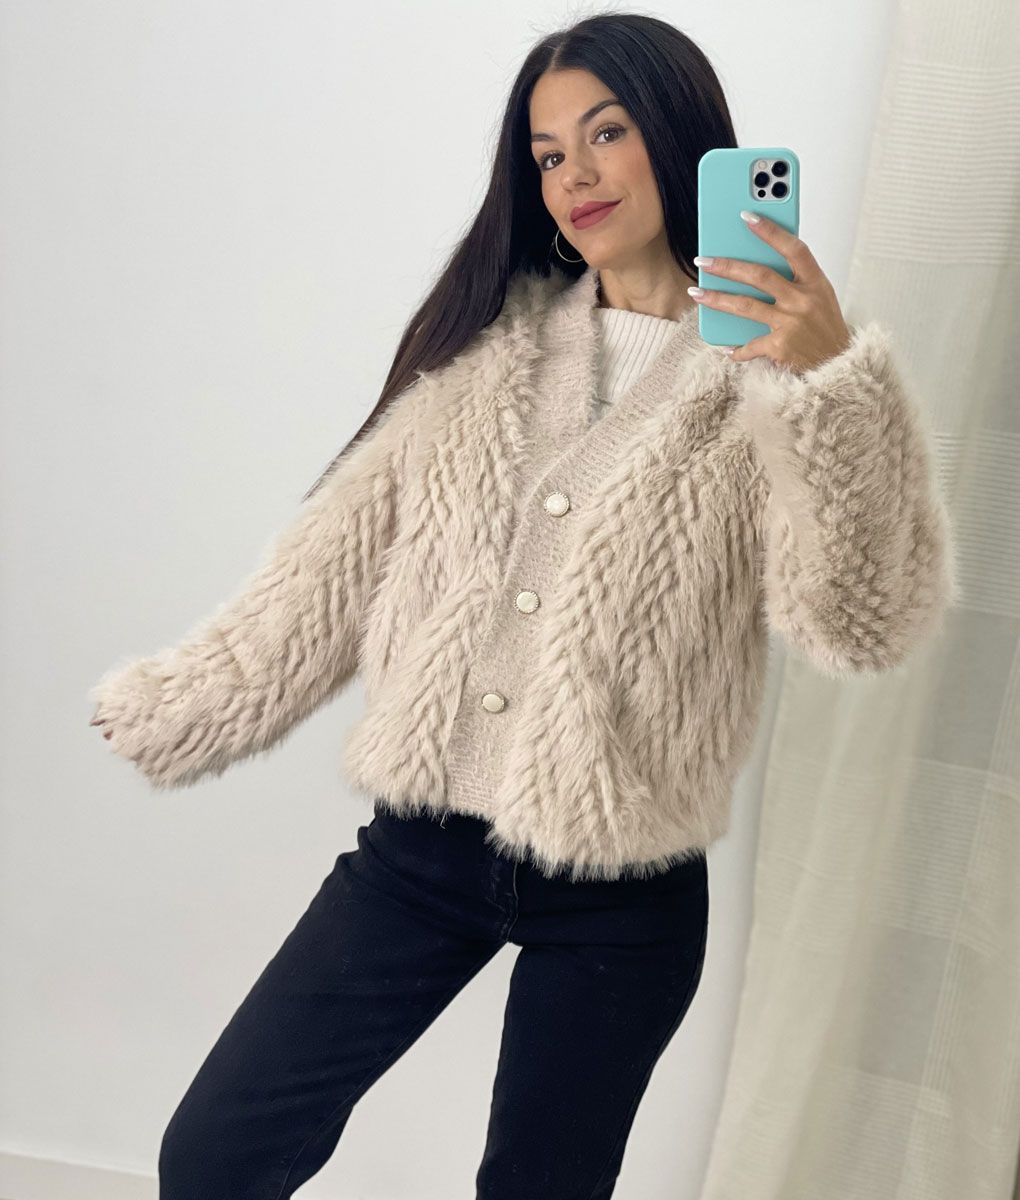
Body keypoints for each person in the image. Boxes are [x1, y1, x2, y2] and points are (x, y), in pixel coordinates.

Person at [88, 12, 957, 1199]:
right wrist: (176, 703)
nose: (576, 175)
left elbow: (859, 621)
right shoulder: (483, 364)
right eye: (548, 154)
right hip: (419, 856)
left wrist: (828, 386)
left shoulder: (775, 385)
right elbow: (327, 573)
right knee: (214, 1155)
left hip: (623, 895)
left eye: (606, 133)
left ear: (679, 134)